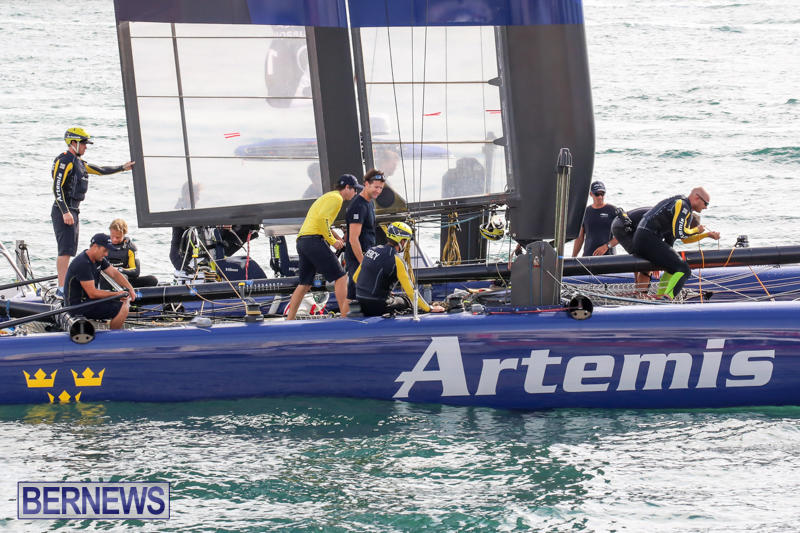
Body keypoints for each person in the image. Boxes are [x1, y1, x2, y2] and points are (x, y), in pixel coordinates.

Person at [51, 127, 134, 292]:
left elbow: (100, 170)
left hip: (74, 210)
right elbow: (57, 187)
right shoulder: (65, 160)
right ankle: (62, 288)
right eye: (83, 143)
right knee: (65, 250)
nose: (85, 147)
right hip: (64, 210)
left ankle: (66, 284)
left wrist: (123, 168)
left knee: (70, 249)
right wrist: (65, 211)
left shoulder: (79, 163)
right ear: (73, 143)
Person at [285, 174, 361, 320]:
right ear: (347, 188)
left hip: (303, 241)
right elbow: (322, 220)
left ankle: (289, 319)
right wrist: (333, 241)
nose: (356, 193)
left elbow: (323, 222)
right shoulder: (337, 198)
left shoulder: (328, 196)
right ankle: (345, 316)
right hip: (313, 240)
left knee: (305, 284)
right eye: (354, 189)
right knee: (341, 277)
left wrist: (338, 238)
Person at [632, 187, 721, 299]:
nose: (706, 207)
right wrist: (696, 230)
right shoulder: (682, 204)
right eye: (705, 203)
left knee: (673, 269)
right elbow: (679, 233)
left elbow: (685, 239)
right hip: (646, 238)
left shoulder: (686, 209)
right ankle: (667, 300)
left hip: (644, 239)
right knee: (684, 270)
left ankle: (661, 298)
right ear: (697, 197)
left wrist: (707, 235)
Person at [354, 222, 445, 317]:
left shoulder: (371, 250)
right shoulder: (397, 260)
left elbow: (356, 278)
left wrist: (380, 291)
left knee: (393, 297)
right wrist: (429, 308)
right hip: (378, 306)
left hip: (360, 301)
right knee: (406, 300)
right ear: (402, 241)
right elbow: (410, 291)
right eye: (406, 241)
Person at [63, 233, 136, 330]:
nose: (106, 254)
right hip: (77, 306)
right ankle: (113, 335)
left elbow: (114, 273)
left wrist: (130, 288)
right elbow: (92, 293)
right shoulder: (83, 263)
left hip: (88, 301)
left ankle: (113, 328)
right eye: (105, 250)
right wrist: (117, 294)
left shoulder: (98, 259)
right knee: (122, 307)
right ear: (95, 247)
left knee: (123, 300)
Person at [345, 169, 386, 299]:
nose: (378, 191)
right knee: (356, 293)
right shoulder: (358, 206)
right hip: (357, 258)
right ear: (366, 184)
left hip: (368, 254)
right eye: (376, 187)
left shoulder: (370, 202)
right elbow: (353, 238)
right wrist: (363, 263)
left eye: (381, 188)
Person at [106, 219, 159, 288]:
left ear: (124, 234)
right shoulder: (102, 244)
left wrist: (119, 270)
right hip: (106, 279)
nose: (114, 239)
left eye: (118, 237)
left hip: (125, 280)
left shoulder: (131, 248)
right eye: (112, 236)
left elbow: (136, 271)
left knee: (152, 280)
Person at [572, 181, 618, 257]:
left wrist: (607, 246)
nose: (600, 197)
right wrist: (574, 257)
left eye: (602, 194)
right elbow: (580, 238)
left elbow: (623, 235)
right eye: (597, 194)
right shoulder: (585, 212)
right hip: (588, 257)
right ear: (591, 194)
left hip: (608, 257)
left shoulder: (613, 210)